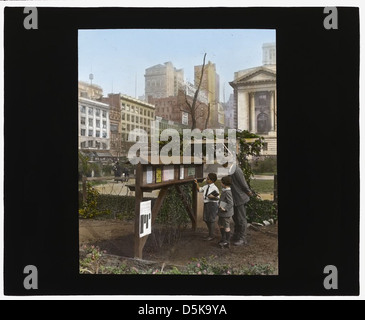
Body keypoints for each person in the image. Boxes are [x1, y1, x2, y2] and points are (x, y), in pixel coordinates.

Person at [223, 161, 253, 246]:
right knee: (235, 218)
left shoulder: (236, 170)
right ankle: (237, 235)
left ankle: (242, 238)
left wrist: (248, 191)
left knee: (241, 219)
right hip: (234, 198)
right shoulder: (230, 170)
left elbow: (243, 183)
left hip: (239, 198)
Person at [194, 173, 219, 241]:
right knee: (206, 219)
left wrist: (212, 197)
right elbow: (199, 189)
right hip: (207, 204)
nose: (206, 180)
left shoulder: (215, 188)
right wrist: (196, 183)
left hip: (212, 204)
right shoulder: (206, 186)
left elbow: (217, 198)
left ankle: (211, 235)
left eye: (208, 179)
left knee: (211, 220)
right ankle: (210, 233)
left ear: (212, 180)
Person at [217, 176, 234, 248]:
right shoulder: (225, 190)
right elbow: (224, 200)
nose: (220, 183)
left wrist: (225, 208)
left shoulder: (228, 192)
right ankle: (223, 238)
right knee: (220, 224)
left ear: (224, 183)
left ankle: (227, 241)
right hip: (222, 212)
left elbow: (230, 203)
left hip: (225, 213)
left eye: (221, 182)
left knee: (226, 226)